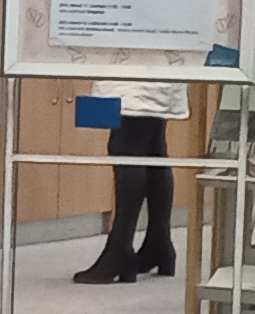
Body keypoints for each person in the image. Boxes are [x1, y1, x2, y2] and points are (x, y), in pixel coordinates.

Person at [70, 77, 185, 283]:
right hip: (159, 67)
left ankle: (120, 250)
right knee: (152, 147)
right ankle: (159, 245)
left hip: (137, 70)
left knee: (126, 146)